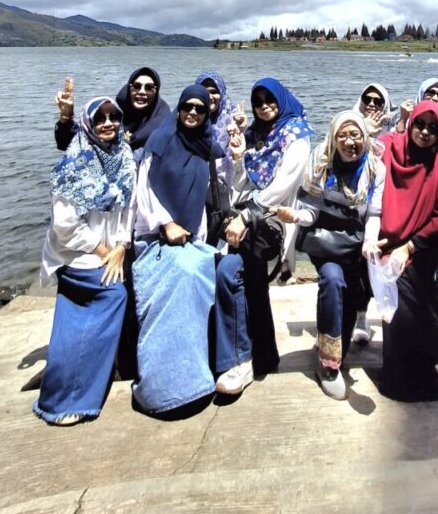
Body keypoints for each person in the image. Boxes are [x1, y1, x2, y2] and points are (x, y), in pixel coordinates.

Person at [132, 85, 252, 415]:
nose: (194, 113)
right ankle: (163, 386)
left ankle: (198, 373)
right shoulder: (160, 141)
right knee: (181, 279)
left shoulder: (207, 147)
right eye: (188, 107)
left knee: (203, 271)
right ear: (180, 108)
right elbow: (144, 192)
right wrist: (165, 224)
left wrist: (237, 155)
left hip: (192, 240)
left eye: (201, 109)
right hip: (156, 236)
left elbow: (226, 189)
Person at [34, 97, 136, 426]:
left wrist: (121, 245)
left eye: (113, 117)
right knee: (112, 294)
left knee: (116, 295)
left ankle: (90, 381)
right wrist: (104, 251)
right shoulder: (75, 161)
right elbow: (65, 226)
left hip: (110, 250)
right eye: (100, 118)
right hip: (77, 252)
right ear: (88, 123)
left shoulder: (124, 156)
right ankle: (67, 398)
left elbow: (129, 209)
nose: (108, 124)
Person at [276, 110, 385, 400]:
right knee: (333, 281)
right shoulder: (321, 164)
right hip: (327, 243)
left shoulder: (375, 168)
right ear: (334, 139)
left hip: (357, 244)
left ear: (364, 136)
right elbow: (311, 211)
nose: (350, 142)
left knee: (350, 301)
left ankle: (333, 344)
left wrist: (370, 241)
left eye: (355, 135)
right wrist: (295, 216)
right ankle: (328, 365)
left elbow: (374, 213)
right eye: (343, 136)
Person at [376, 100, 438, 403]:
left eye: (433, 128)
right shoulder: (392, 149)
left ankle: (415, 379)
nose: (425, 133)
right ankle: (404, 372)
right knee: (399, 300)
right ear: (411, 123)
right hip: (389, 241)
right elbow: (363, 143)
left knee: (408, 297)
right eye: (420, 124)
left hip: (426, 242)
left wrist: (409, 246)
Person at [224, 77, 314, 376]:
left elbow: (282, 185)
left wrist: (247, 216)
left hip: (275, 217)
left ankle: (260, 355)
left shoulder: (296, 134)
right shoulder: (254, 133)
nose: (264, 107)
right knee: (241, 278)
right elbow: (241, 182)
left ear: (282, 99)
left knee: (251, 273)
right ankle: (254, 352)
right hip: (248, 212)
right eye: (258, 102)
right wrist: (239, 155)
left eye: (269, 100)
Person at [392, 77, 438, 344]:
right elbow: (392, 147)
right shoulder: (408, 122)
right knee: (421, 271)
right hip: (421, 211)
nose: (435, 97)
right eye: (430, 93)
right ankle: (427, 317)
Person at [350, 82, 392, 345]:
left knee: (374, 262)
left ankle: (372, 313)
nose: (373, 105)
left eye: (379, 101)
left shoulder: (394, 129)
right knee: (352, 263)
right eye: (368, 99)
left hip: (383, 205)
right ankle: (356, 315)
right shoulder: (349, 123)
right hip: (353, 205)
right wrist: (364, 132)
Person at [54, 67, 170, 160]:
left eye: (149, 87)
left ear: (156, 92)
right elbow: (71, 142)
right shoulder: (114, 114)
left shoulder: (162, 127)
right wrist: (66, 117)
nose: (142, 92)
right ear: (129, 89)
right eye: (136, 86)